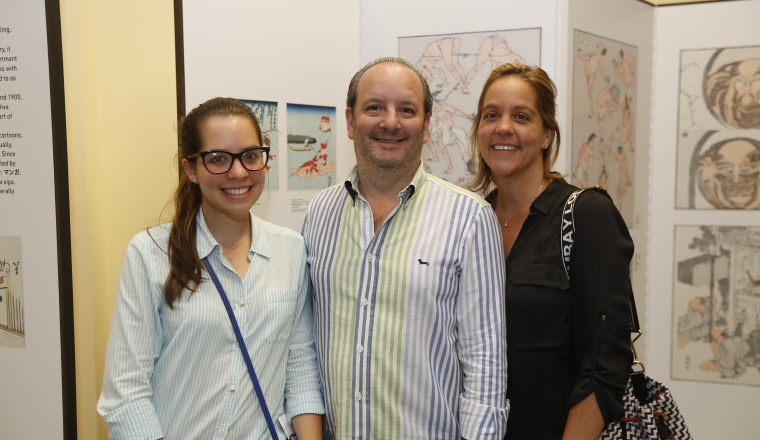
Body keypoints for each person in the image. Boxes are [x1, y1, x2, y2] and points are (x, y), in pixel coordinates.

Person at [302, 57, 508, 439]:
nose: (390, 122)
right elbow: (306, 350)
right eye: (374, 107)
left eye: (407, 110)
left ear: (427, 125)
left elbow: (486, 364)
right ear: (350, 121)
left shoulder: (470, 218)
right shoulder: (319, 214)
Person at [97, 97, 324, 440]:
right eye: (217, 159)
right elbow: (125, 394)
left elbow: (301, 370)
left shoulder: (290, 249)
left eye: (250, 155)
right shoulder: (151, 253)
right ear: (191, 168)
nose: (238, 171)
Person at [468, 63, 633, 439]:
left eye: (521, 116)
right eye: (491, 115)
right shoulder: (471, 221)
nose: (504, 127)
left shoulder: (585, 214)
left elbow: (605, 364)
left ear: (546, 135)